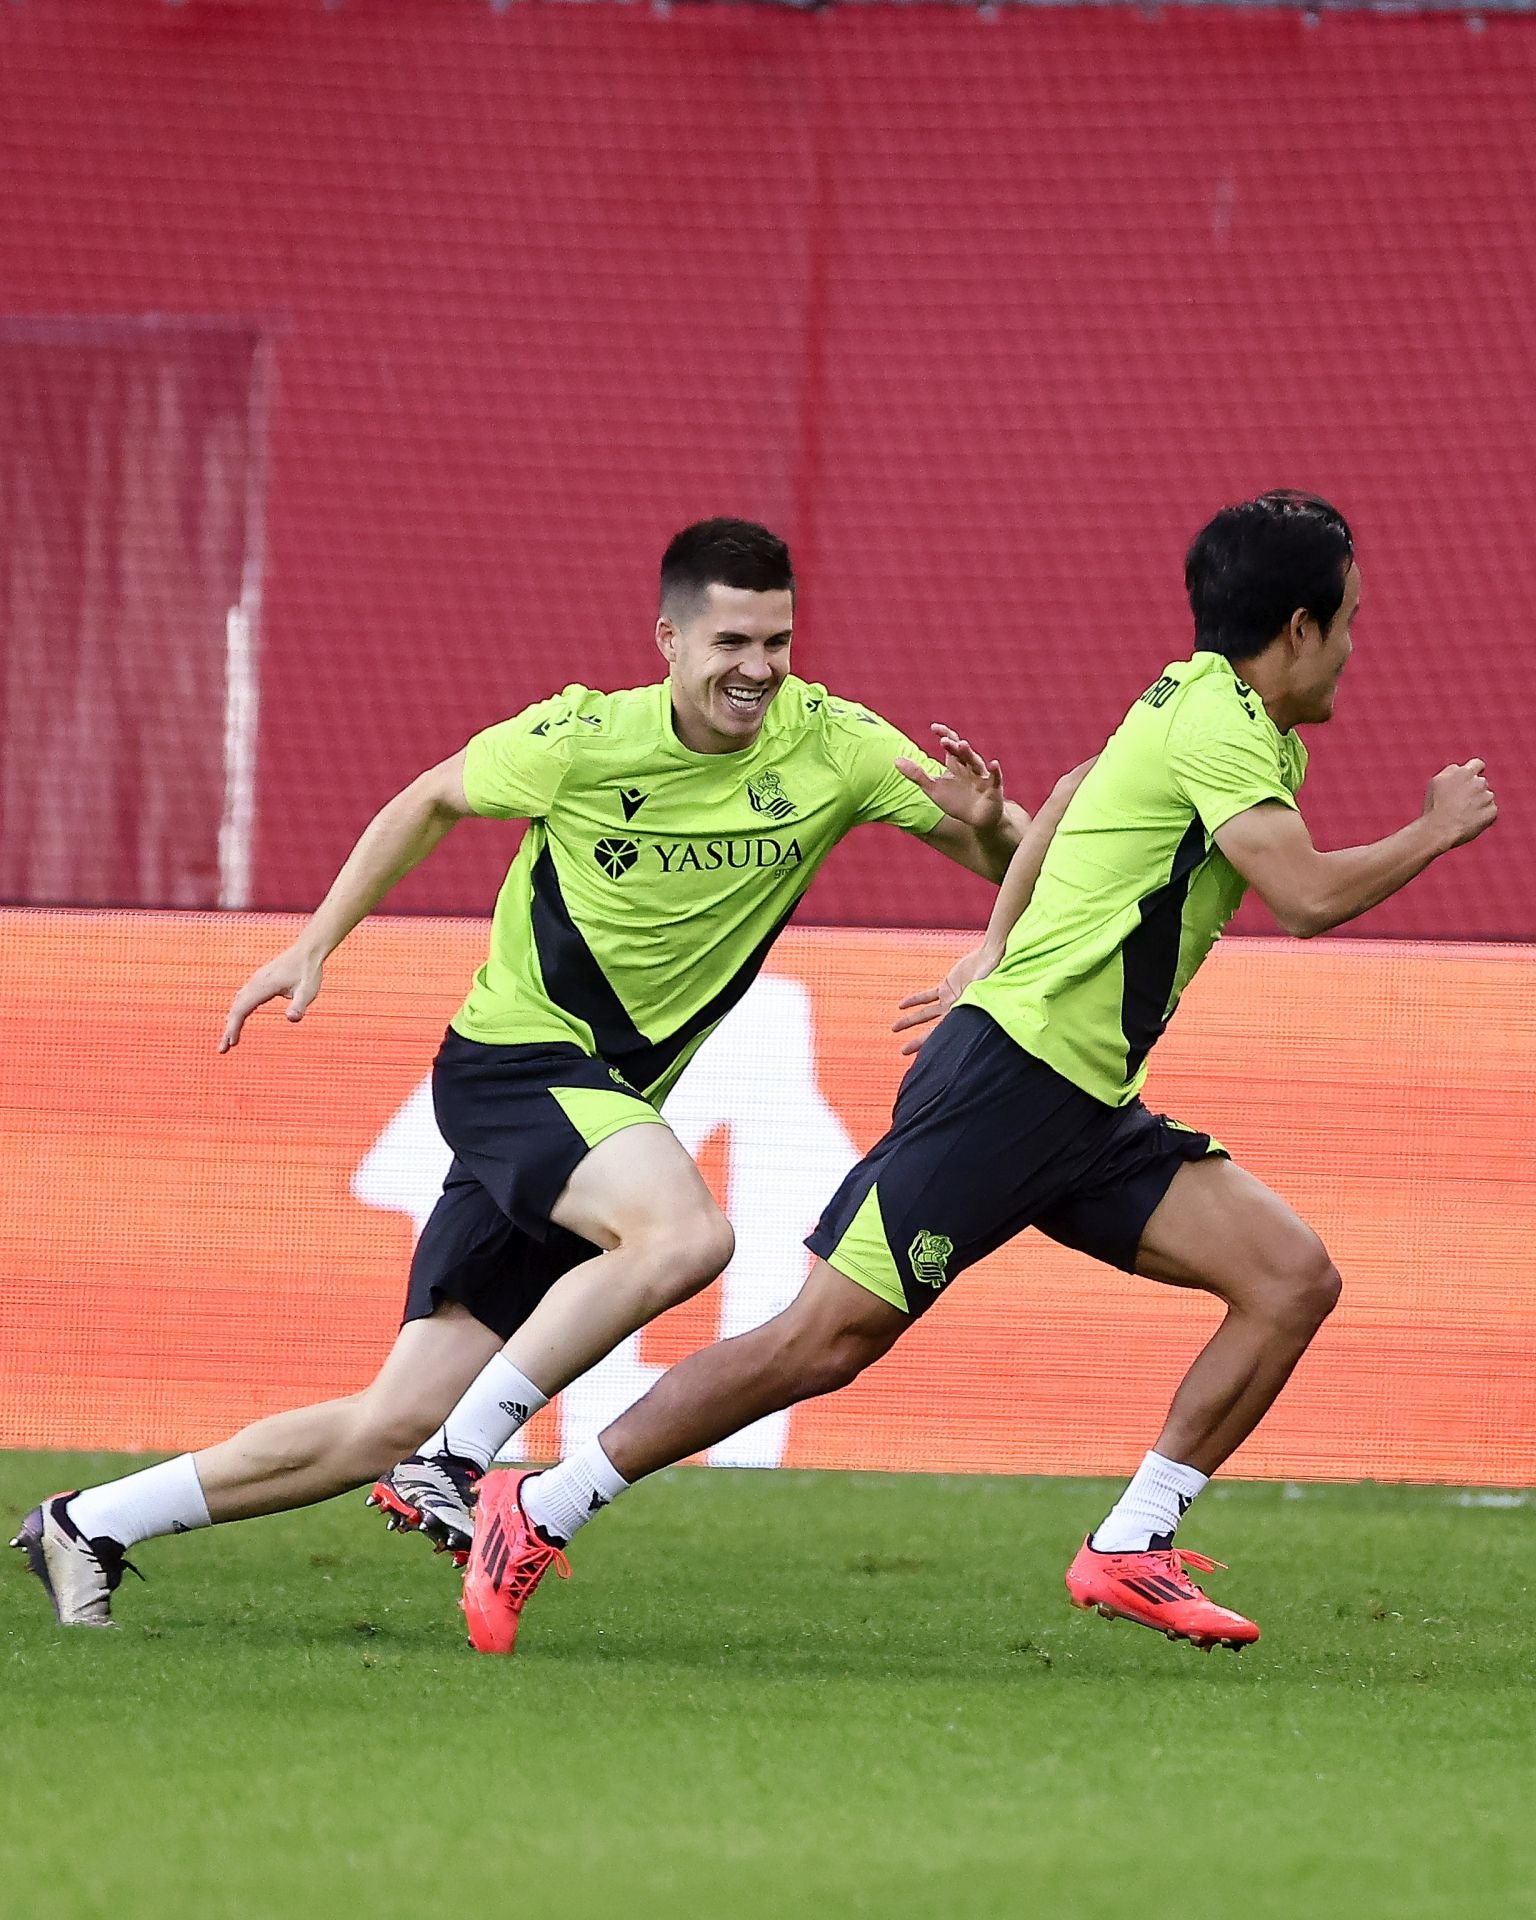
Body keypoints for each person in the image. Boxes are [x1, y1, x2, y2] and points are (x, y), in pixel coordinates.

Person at [456, 491, 1499, 1657]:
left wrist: (993, 948)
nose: (1360, 641)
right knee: (821, 1343)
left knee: (1291, 1279)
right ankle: (536, 1507)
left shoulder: (1203, 704)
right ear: (1299, 629)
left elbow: (1058, 801)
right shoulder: (1218, 723)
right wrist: (1433, 830)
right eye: (1351, 618)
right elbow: (1303, 899)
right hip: (1011, 1085)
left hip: (1082, 1101)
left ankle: (1129, 1547)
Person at [14, 516, 1060, 1629]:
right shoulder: (580, 737)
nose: (758, 668)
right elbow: (428, 797)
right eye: (732, 643)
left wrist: (992, 829)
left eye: (778, 641)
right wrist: (318, 939)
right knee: (688, 1237)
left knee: (384, 1419)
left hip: (603, 1114)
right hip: (514, 1066)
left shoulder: (838, 746)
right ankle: (461, 1459)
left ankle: (93, 1523)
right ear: (668, 637)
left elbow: (1026, 858)